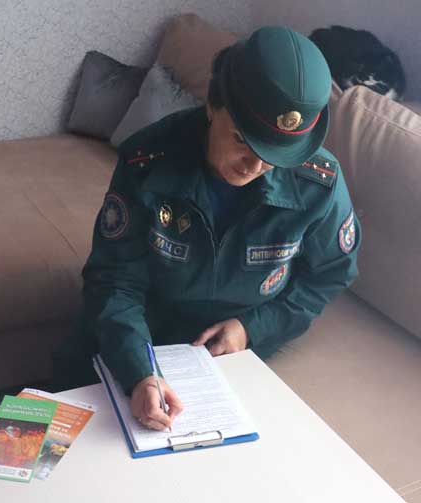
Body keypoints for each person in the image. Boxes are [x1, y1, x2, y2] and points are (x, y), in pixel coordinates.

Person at [52, 26, 361, 432]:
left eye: (275, 154)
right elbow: (114, 279)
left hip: (234, 345)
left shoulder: (318, 183)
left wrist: (253, 327)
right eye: (241, 140)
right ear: (213, 106)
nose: (254, 166)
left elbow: (330, 273)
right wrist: (139, 370)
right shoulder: (147, 162)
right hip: (145, 326)